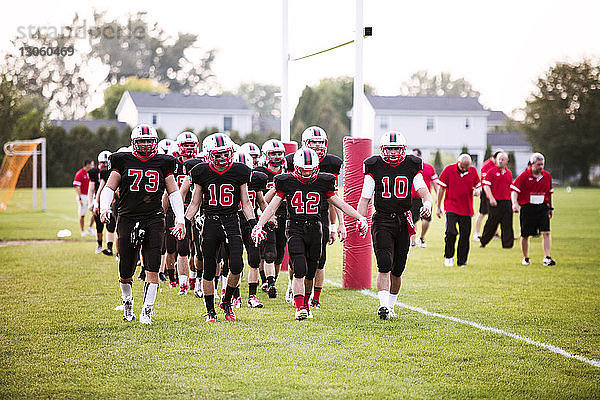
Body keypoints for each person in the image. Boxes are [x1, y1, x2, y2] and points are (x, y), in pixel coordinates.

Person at [253, 148, 368, 320]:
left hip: (316, 228)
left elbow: (340, 203)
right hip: (295, 228)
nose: (307, 174)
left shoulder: (324, 181)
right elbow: (272, 206)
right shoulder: (286, 181)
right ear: (296, 168)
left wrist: (360, 217)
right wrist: (259, 225)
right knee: (299, 267)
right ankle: (300, 307)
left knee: (311, 271)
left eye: (310, 170)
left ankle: (306, 303)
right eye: (303, 170)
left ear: (316, 168)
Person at [100, 124, 186, 325]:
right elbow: (109, 187)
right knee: (125, 268)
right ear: (133, 143)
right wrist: (105, 207)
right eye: (142, 141)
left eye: (150, 141)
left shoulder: (164, 162)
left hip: (154, 218)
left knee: (153, 265)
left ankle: (147, 311)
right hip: (128, 217)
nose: (146, 145)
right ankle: (128, 301)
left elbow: (173, 192)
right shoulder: (122, 160)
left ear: (155, 142)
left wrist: (180, 219)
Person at [357, 131, 433, 320]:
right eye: (389, 148)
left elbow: (423, 189)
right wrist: (361, 218)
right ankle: (383, 305)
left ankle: (391, 306)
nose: (392, 152)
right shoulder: (374, 165)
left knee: (398, 269)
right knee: (384, 264)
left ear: (403, 149)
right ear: (382, 149)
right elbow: (365, 197)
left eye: (396, 148)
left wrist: (428, 204)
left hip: (402, 220)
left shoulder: (411, 164)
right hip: (382, 219)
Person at [184, 133, 256, 322]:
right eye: (218, 155)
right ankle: (210, 310)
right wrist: (183, 222)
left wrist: (254, 225)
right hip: (211, 222)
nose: (223, 158)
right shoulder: (201, 171)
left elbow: (246, 202)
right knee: (209, 268)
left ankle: (226, 301)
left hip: (232, 220)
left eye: (225, 154)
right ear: (209, 155)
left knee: (237, 265)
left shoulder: (240, 171)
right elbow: (194, 203)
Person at [285, 126, 344, 309]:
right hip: (297, 214)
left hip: (320, 215)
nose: (318, 146)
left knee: (319, 259)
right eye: (313, 142)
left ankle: (315, 299)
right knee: (297, 262)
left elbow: (333, 197)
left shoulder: (332, 163)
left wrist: (334, 226)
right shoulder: (293, 160)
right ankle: (293, 284)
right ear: (305, 144)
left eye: (321, 142)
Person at [254, 139, 288, 299]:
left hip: (286, 215)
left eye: (279, 153)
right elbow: (259, 199)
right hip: (266, 214)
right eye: (273, 153)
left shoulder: (289, 172)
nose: (276, 156)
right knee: (269, 252)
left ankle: (270, 280)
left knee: (280, 252)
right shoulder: (260, 173)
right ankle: (270, 282)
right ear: (265, 155)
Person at [511, 152, 556, 266]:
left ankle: (547, 257)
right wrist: (515, 204)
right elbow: (515, 191)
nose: (540, 167)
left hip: (542, 207)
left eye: (542, 164)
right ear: (532, 164)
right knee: (525, 234)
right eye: (538, 165)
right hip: (527, 207)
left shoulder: (547, 176)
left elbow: (549, 193)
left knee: (546, 232)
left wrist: (550, 207)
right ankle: (526, 258)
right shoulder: (524, 176)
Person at [436, 154, 481, 267]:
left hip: (466, 208)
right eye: (463, 166)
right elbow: (441, 189)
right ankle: (449, 256)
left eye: (467, 166)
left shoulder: (473, 171)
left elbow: (478, 186)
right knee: (451, 232)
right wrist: (438, 206)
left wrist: (477, 191)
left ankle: (462, 261)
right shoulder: (448, 170)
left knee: (465, 235)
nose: (465, 168)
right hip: (451, 206)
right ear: (458, 162)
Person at [480, 152, 514, 249]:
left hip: (506, 201)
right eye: (499, 159)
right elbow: (486, 186)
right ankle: (484, 241)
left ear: (507, 161)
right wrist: (491, 198)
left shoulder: (509, 173)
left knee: (507, 223)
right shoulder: (491, 171)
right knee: (491, 223)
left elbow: (510, 187)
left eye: (503, 159)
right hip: (495, 201)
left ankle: (507, 245)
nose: (500, 161)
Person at [409, 148, 438, 248]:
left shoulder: (429, 168)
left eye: (414, 155)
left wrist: (438, 197)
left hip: (425, 198)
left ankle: (421, 237)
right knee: (412, 220)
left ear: (420, 156)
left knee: (426, 220)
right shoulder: (409, 167)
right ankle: (412, 241)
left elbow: (435, 183)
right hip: (412, 198)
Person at [473, 149, 503, 241]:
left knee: (495, 214)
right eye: (499, 158)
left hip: (496, 193)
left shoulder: (498, 166)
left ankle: (495, 233)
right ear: (495, 157)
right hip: (486, 193)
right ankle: (477, 233)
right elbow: (485, 180)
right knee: (482, 213)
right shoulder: (487, 165)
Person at [89, 150, 114, 254]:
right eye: (102, 162)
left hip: (111, 201)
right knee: (99, 226)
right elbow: (92, 189)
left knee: (111, 225)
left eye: (106, 162)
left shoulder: (113, 172)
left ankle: (109, 247)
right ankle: (99, 245)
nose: (104, 165)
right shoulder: (95, 172)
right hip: (98, 201)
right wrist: (92, 203)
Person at [73, 159, 95, 237]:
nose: (93, 166)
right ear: (87, 165)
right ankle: (82, 231)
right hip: (83, 196)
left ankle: (90, 227)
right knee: (82, 214)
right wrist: (80, 198)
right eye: (92, 165)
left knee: (95, 212)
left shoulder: (92, 173)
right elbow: (77, 186)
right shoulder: (80, 173)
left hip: (91, 196)